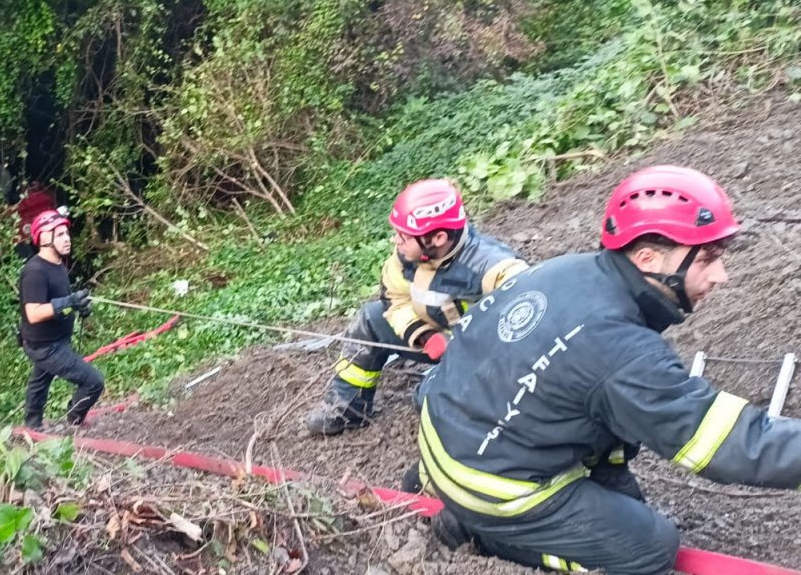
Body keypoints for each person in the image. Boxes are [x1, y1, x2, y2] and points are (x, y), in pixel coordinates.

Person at [415, 165, 801, 574]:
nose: (720, 276)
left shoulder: (568, 271)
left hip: (450, 441)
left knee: (613, 460)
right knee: (651, 546)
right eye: (706, 258)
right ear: (648, 258)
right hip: (490, 488)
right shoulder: (617, 347)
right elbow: (727, 444)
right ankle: (484, 534)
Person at [304, 179, 528, 435]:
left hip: (488, 360)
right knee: (371, 319)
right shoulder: (407, 256)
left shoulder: (497, 269)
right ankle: (347, 409)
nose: (396, 241)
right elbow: (395, 300)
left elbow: (527, 334)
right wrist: (424, 335)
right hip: (441, 339)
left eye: (404, 235)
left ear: (438, 237)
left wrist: (466, 353)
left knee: (427, 400)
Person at [19, 208, 103, 431]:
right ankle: (74, 419)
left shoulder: (57, 265)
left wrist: (77, 307)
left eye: (67, 233)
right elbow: (34, 313)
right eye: (60, 235)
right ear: (45, 239)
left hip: (55, 340)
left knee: (40, 380)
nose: (67, 239)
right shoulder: (35, 271)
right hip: (45, 346)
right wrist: (67, 303)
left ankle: (32, 424)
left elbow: (59, 301)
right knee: (93, 382)